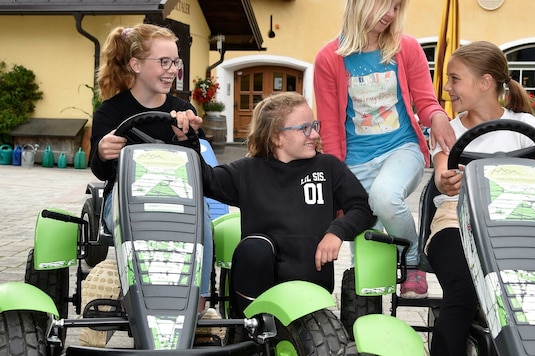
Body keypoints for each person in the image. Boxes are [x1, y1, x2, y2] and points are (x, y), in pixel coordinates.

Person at [426, 41, 535, 355]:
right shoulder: (448, 131)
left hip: (518, 219)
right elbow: (442, 175)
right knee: (462, 291)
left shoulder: (528, 128)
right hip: (457, 218)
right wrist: (446, 179)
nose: (446, 86)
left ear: (485, 83)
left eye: (455, 79)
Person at [313, 0, 456, 298]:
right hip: (354, 160)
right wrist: (335, 179)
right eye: (385, 5)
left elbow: (426, 101)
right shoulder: (329, 58)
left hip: (401, 149)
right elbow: (329, 126)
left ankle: (414, 261)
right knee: (366, 239)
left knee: (385, 197)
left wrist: (439, 117)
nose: (391, 14)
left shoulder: (407, 48)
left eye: (396, 7)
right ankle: (368, 314)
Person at [200, 92, 377, 317]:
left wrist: (337, 232)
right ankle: (249, 334)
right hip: (259, 297)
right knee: (254, 248)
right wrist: (187, 137)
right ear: (276, 137)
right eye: (304, 128)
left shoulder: (328, 167)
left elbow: (363, 209)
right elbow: (203, 178)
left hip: (310, 295)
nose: (315, 134)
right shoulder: (247, 171)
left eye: (314, 125)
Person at [88, 23, 212, 312]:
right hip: (124, 198)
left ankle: (199, 301)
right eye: (163, 62)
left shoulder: (184, 110)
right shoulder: (110, 112)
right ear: (136, 64)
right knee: (135, 215)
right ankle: (126, 286)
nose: (171, 70)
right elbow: (101, 172)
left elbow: (201, 170)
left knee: (202, 213)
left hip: (177, 196)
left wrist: (189, 140)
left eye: (175, 62)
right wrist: (103, 153)